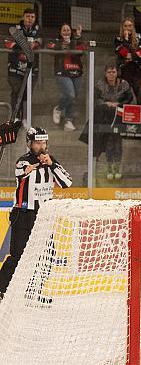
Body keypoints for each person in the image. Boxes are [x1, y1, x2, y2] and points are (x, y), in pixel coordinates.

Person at [0, 128, 72, 301]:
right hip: (23, 215)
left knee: (47, 256)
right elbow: (22, 171)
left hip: (43, 217)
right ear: (30, 143)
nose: (41, 146)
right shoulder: (23, 161)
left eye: (44, 142)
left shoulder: (52, 162)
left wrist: (52, 164)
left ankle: (34, 290)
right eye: (37, 142)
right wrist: (36, 166)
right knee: (17, 256)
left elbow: (66, 183)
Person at [95, 63, 136, 181]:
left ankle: (117, 168)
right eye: (109, 72)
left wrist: (119, 104)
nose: (111, 75)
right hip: (105, 117)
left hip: (119, 116)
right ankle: (109, 168)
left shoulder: (124, 84)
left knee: (117, 142)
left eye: (113, 72)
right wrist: (106, 104)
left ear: (117, 73)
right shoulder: (100, 84)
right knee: (108, 143)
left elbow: (129, 98)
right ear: (105, 73)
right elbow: (96, 99)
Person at [49, 23, 86, 132]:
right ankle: (58, 108)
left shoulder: (76, 41)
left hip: (76, 72)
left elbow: (83, 49)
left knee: (74, 97)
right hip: (62, 72)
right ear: (60, 32)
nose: (66, 32)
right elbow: (51, 48)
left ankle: (68, 121)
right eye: (64, 30)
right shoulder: (56, 41)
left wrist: (78, 37)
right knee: (70, 94)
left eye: (68, 30)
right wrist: (63, 44)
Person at [6, 7, 41, 123]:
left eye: (32, 17)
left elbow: (43, 43)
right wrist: (23, 45)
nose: (30, 19)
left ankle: (26, 118)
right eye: (27, 16)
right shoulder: (15, 29)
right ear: (23, 17)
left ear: (35, 19)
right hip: (15, 67)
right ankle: (16, 117)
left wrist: (35, 44)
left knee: (27, 92)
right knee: (16, 90)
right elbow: (8, 43)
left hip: (31, 67)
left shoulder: (38, 30)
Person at [115, 17, 141, 98]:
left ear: (133, 27)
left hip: (137, 70)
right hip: (124, 70)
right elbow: (123, 53)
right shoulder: (118, 39)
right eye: (125, 26)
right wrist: (125, 39)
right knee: (124, 97)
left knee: (140, 97)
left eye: (130, 26)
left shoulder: (139, 39)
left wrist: (131, 56)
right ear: (122, 27)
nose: (128, 28)